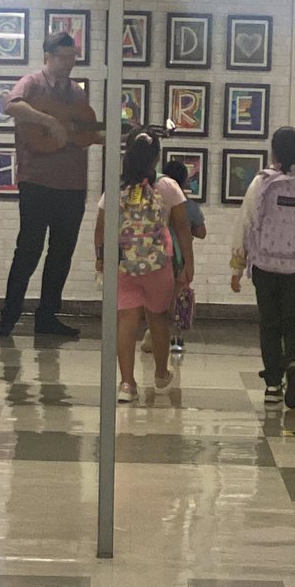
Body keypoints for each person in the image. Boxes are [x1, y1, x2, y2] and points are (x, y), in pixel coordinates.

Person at [230, 126, 295, 410]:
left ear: (273, 151)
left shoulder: (260, 183)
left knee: (269, 324)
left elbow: (245, 224)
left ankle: (273, 385)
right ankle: (294, 362)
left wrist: (237, 268)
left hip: (264, 267)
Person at [0, 31, 90, 339]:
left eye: (72, 58)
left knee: (62, 253)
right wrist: (49, 121)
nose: (68, 64)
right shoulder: (32, 82)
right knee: (29, 250)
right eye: (62, 58)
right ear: (48, 56)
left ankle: (47, 317)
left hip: (73, 184)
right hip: (37, 181)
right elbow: (11, 106)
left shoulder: (77, 92)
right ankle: (9, 316)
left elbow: (83, 127)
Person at [95, 130, 194, 403]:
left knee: (127, 320)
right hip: (158, 265)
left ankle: (127, 384)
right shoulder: (168, 187)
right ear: (157, 157)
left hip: (125, 264)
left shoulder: (116, 188)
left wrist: (101, 259)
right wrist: (188, 263)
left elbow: (101, 228)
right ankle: (161, 375)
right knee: (158, 318)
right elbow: (183, 227)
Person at [142, 159, 206, 355]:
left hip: (156, 254)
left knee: (154, 298)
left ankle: (151, 333)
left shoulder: (152, 199)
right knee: (176, 299)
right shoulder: (189, 206)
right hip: (180, 256)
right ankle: (173, 337)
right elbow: (202, 232)